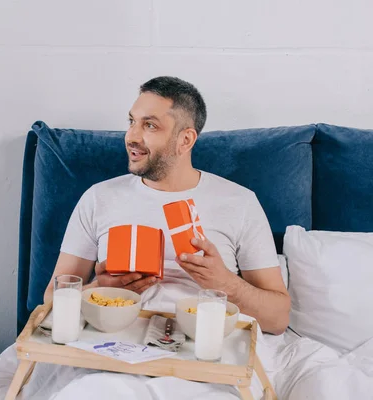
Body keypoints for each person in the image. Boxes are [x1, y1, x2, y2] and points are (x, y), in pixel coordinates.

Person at [44, 76, 290, 335]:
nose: (131, 136)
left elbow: (277, 320)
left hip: (201, 342)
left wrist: (225, 283)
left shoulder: (240, 203)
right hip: (116, 338)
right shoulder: (99, 197)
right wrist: (99, 289)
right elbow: (50, 301)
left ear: (185, 140)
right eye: (131, 122)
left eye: (149, 125)